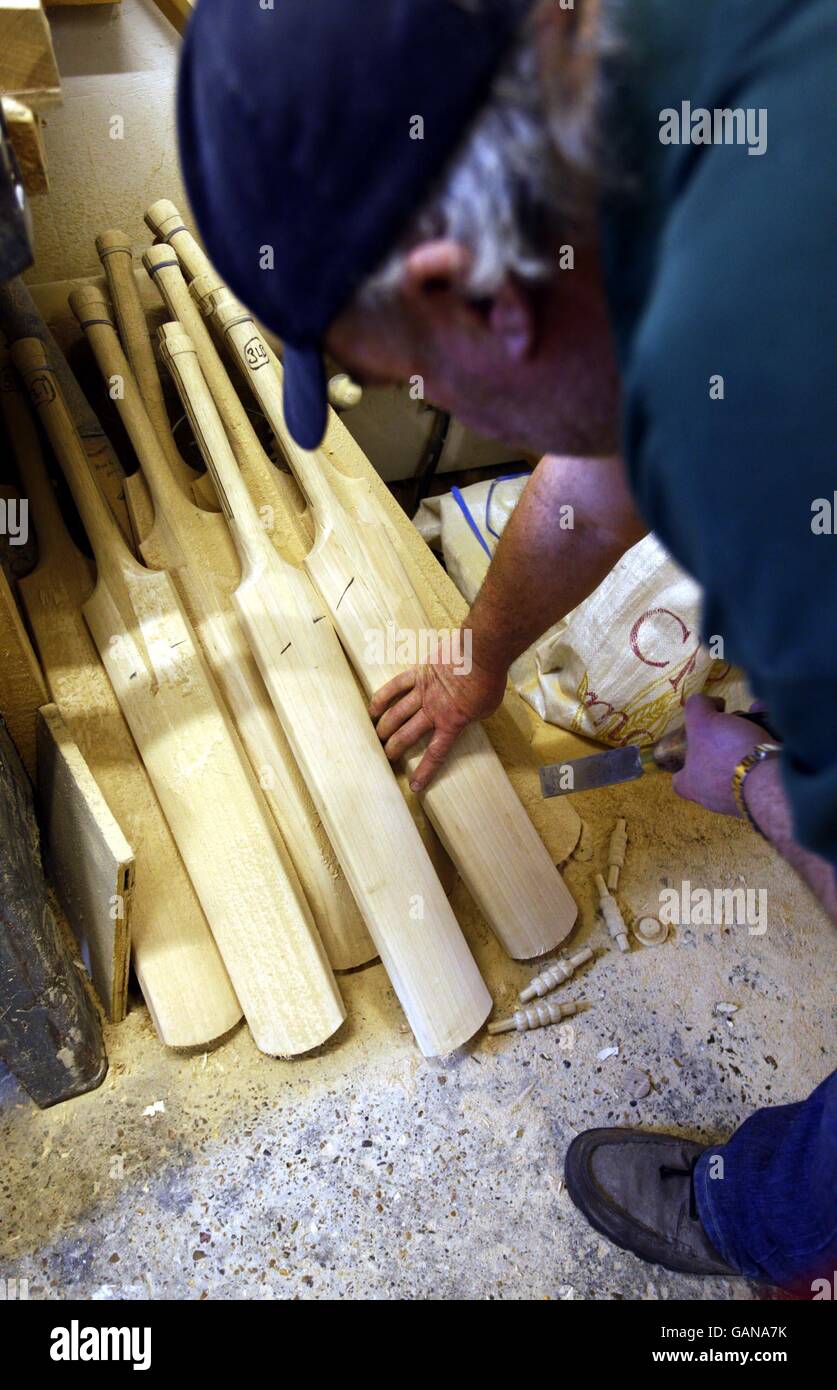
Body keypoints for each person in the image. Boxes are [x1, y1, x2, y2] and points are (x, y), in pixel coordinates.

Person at [177, 0, 836, 1291]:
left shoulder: (768, 427)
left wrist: (763, 790)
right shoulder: (666, 62)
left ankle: (760, 1212)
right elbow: (594, 467)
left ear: (472, 291)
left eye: (409, 375)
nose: (435, 403)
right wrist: (482, 652)